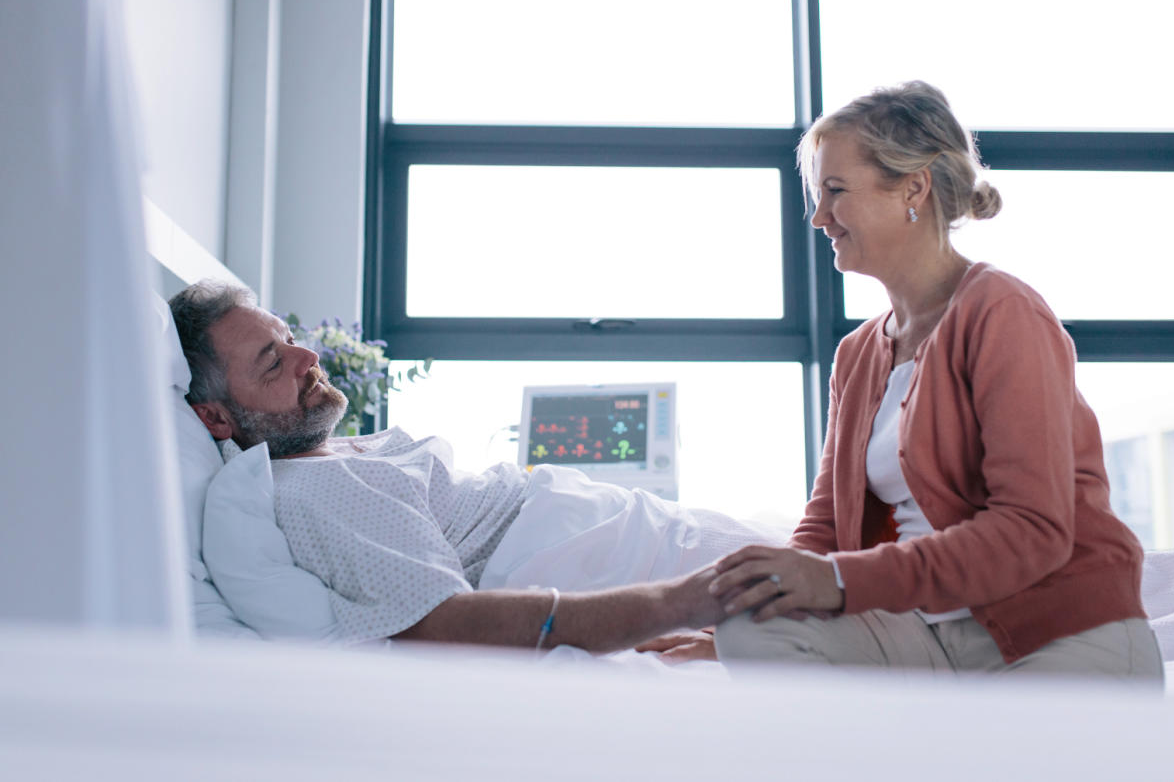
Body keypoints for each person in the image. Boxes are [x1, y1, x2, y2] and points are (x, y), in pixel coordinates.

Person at [707, 81, 1162, 681]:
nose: (818, 217)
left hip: (1052, 634)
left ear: (913, 189)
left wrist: (840, 581)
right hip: (929, 633)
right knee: (750, 631)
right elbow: (824, 526)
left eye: (835, 192)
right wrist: (754, 606)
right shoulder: (858, 354)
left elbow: (1033, 530)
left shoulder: (1002, 311)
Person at [169, 280, 758, 655]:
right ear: (217, 418)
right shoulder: (313, 489)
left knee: (830, 570)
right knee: (826, 588)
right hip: (615, 550)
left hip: (625, 529)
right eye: (273, 362)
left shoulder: (335, 457)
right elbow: (440, 621)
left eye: (291, 338)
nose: (308, 356)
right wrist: (671, 607)